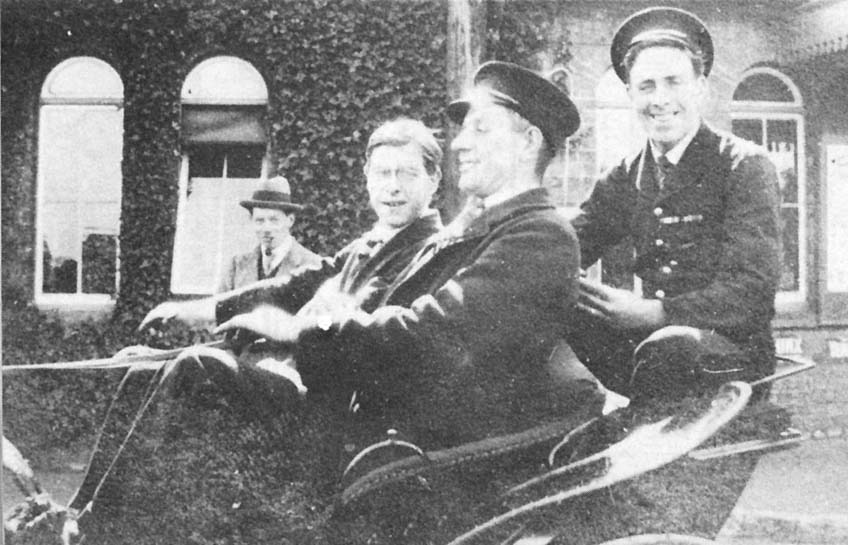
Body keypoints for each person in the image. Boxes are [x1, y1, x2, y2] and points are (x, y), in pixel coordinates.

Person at [53, 118, 446, 539]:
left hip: (329, 418)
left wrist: (291, 327)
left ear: (433, 179)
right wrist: (206, 309)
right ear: (367, 179)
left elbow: (366, 327)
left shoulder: (430, 251)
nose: (394, 187)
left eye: (407, 173)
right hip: (296, 392)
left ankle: (100, 531)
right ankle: (78, 514)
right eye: (383, 173)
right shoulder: (370, 242)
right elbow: (294, 284)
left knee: (200, 365)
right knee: (141, 371)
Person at [215, 60, 605, 449]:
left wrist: (301, 328)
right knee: (200, 374)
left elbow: (429, 336)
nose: (459, 143)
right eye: (464, 129)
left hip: (415, 457)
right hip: (382, 436)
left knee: (201, 379)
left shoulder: (538, 235)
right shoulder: (480, 229)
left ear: (527, 142)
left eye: (480, 128)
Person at [568, 7, 781, 402]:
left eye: (674, 82)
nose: (660, 100)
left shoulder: (743, 166)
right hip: (654, 357)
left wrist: (651, 313)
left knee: (673, 345)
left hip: (728, 365)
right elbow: (570, 243)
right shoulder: (626, 174)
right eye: (646, 86)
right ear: (630, 94)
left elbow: (750, 292)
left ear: (701, 88)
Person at [216, 175, 321, 293]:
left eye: (274, 220)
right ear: (251, 220)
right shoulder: (236, 266)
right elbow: (218, 308)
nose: (266, 228)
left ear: (290, 220)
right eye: (260, 221)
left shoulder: (313, 266)